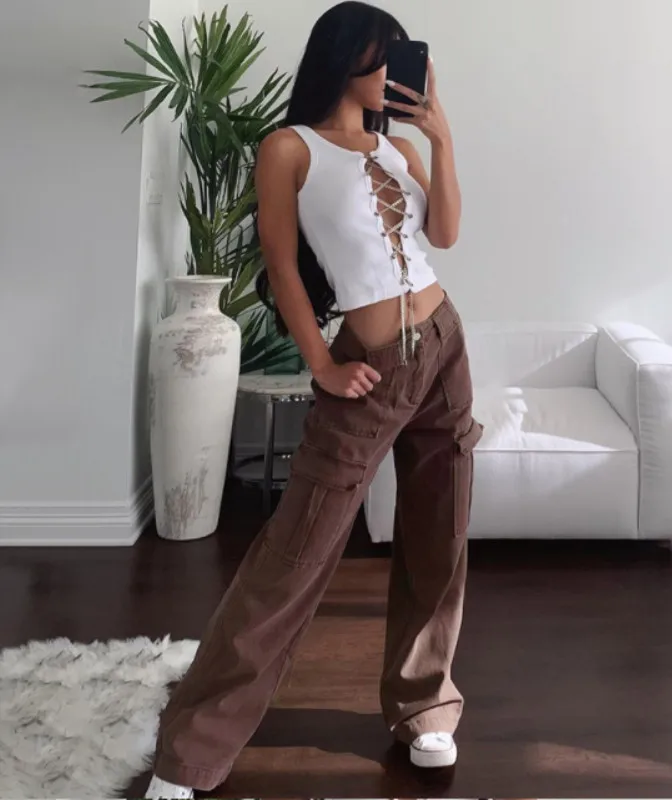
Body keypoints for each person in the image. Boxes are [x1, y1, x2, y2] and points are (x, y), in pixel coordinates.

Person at [145, 2, 481, 798]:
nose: (394, 72)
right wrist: (321, 364)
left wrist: (441, 140)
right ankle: (191, 751)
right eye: (382, 56)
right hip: (372, 362)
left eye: (399, 57)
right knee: (293, 555)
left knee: (440, 531)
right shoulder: (289, 147)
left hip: (444, 344)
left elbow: (444, 235)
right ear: (344, 59)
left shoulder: (399, 147)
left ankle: (425, 705)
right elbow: (281, 262)